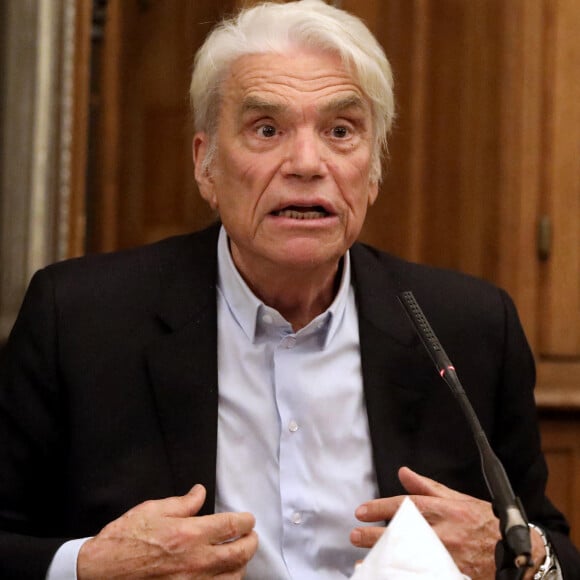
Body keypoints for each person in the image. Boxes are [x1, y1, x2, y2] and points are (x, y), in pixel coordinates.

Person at [0, 0, 579, 578]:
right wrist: (87, 565)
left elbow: (549, 550)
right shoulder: (79, 322)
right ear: (205, 165)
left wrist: (526, 556)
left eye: (341, 131)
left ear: (372, 171)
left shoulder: (469, 327)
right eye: (267, 129)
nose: (307, 162)